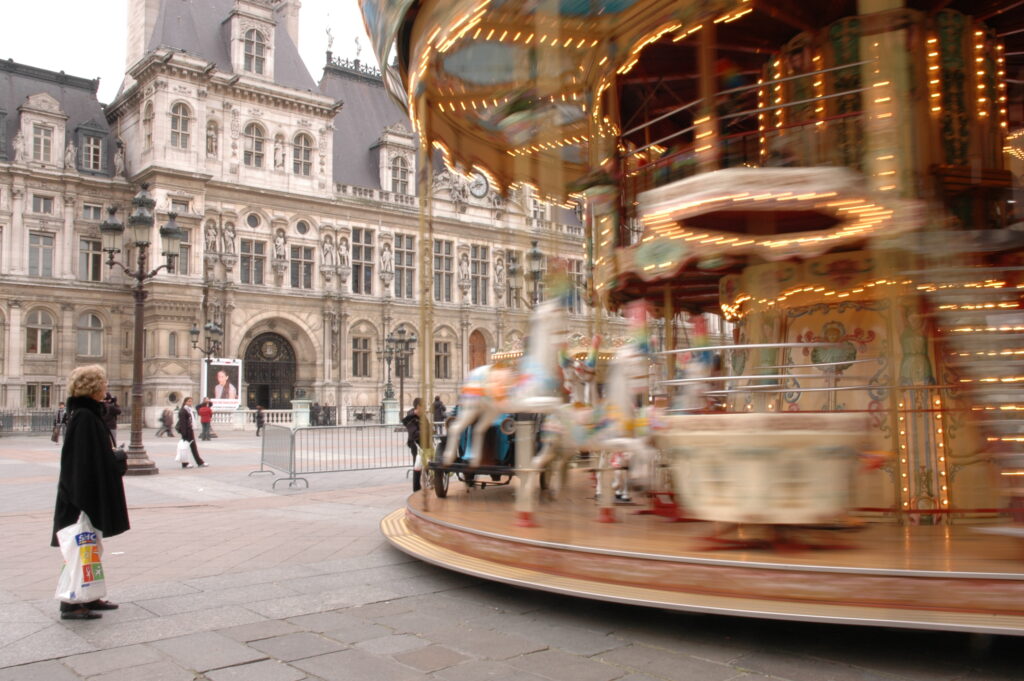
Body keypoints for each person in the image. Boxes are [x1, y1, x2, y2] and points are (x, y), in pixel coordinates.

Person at [52, 364, 129, 620]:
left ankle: (90, 595)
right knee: (80, 549)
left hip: (85, 494)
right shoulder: (84, 417)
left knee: (90, 548)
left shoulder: (86, 413)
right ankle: (71, 604)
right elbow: (83, 462)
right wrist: (115, 460)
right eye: (103, 383)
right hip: (81, 497)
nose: (106, 388)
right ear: (94, 387)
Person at [176, 397, 207, 468]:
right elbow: (183, 423)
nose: (190, 403)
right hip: (187, 432)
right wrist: (184, 434)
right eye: (188, 401)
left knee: (190, 447)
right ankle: (195, 462)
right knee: (188, 448)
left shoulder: (189, 410)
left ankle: (194, 462)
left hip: (190, 430)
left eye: (191, 401)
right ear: (185, 402)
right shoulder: (183, 411)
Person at [402, 397, 423, 492]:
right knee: (417, 465)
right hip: (415, 444)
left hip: (423, 443)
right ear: (418, 406)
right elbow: (413, 433)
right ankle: (416, 489)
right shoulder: (411, 418)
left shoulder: (422, 416)